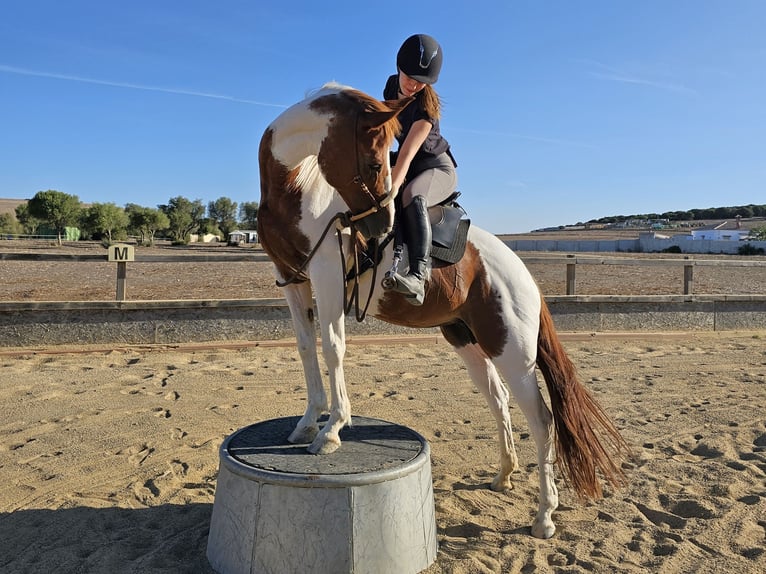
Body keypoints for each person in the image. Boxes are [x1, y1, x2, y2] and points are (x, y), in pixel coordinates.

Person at [384, 33, 457, 306]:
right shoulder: (391, 87)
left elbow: (406, 155)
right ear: (398, 68)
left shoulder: (427, 110)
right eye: (409, 77)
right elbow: (386, 132)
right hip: (413, 163)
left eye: (421, 82)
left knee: (410, 195)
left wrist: (392, 186)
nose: (413, 85)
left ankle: (418, 275)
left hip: (437, 168)